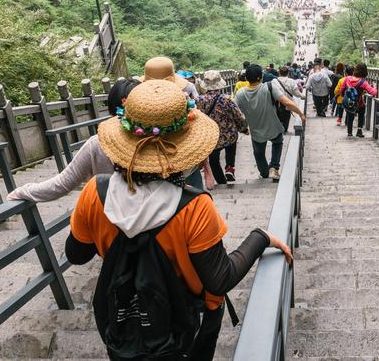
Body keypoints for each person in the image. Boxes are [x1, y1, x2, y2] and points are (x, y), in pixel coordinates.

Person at [65, 80, 293, 360]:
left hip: (122, 319)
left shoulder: (95, 192)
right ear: (184, 145)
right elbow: (220, 280)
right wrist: (261, 237)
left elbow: (76, 254)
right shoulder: (194, 206)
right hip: (182, 328)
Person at [7, 77, 139, 202]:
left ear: (111, 108)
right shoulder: (156, 141)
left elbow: (62, 184)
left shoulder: (97, 143)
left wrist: (23, 191)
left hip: (108, 217)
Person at [234, 64, 306, 181]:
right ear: (260, 77)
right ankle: (274, 168)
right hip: (273, 126)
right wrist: (300, 114)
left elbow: (235, 112)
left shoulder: (240, 93)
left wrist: (242, 128)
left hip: (256, 130)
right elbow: (287, 102)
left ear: (246, 78)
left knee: (259, 153)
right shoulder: (268, 87)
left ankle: (264, 173)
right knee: (277, 143)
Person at [197, 70, 246, 185]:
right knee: (231, 145)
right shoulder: (226, 98)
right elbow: (238, 115)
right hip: (228, 133)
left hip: (211, 136)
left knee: (214, 159)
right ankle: (229, 168)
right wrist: (243, 128)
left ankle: (221, 181)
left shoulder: (199, 100)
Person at [336, 63, 378, 138]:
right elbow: (373, 92)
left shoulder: (347, 79)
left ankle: (349, 132)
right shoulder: (363, 82)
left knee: (350, 115)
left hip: (349, 102)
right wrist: (374, 87)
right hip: (359, 103)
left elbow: (341, 90)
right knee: (361, 112)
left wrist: (344, 96)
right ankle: (359, 131)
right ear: (365, 72)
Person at [274, 66, 306, 132]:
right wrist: (302, 96)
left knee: (277, 117)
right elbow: (296, 93)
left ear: (279, 73)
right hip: (288, 104)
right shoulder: (291, 81)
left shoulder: (274, 81)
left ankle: (279, 130)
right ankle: (284, 130)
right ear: (288, 73)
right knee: (286, 118)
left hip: (277, 103)